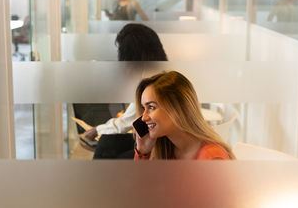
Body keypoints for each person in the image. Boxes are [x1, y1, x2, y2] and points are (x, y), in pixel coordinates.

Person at [81, 23, 167, 158]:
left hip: (161, 147)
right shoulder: (159, 73)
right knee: (111, 142)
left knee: (107, 144)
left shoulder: (150, 81)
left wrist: (97, 130)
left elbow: (128, 121)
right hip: (159, 139)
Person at [134, 71, 235, 160]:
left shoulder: (212, 158)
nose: (144, 117)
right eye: (144, 108)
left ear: (176, 108)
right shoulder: (166, 151)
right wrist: (143, 153)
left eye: (151, 107)